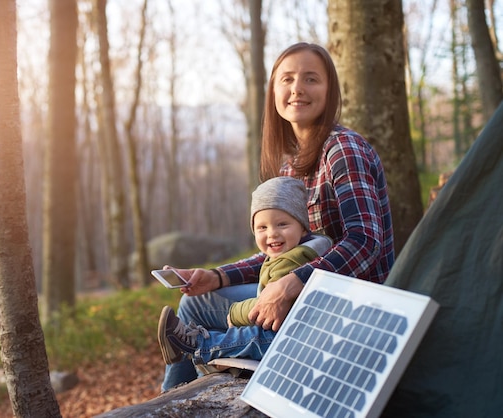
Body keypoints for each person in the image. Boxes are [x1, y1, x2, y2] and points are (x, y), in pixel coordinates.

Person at [159, 42, 394, 391]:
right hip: (307, 293)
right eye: (287, 79)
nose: (297, 88)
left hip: (346, 308)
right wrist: (216, 277)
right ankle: (173, 403)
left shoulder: (344, 150)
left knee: (207, 316)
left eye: (311, 79)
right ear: (274, 91)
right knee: (194, 301)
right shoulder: (291, 164)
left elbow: (365, 242)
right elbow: (281, 247)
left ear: (330, 91)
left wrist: (293, 283)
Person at [158, 176, 333, 365]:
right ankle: (195, 355)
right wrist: (217, 275)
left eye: (282, 224)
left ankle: (200, 344)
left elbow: (266, 305)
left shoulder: (292, 259)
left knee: (253, 336)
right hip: (293, 323)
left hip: (293, 333)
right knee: (250, 331)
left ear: (303, 228)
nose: (272, 233)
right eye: (262, 227)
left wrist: (234, 313)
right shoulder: (300, 248)